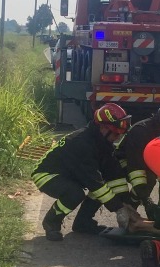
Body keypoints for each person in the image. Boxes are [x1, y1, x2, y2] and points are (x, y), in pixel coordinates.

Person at [32, 103, 132, 241]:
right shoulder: (82, 143)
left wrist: (127, 205)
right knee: (75, 193)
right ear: (103, 127)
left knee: (104, 188)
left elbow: (113, 174)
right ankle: (51, 222)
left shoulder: (102, 143)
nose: (117, 137)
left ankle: (83, 223)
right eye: (115, 133)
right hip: (47, 174)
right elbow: (93, 182)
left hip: (69, 174)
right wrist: (118, 208)